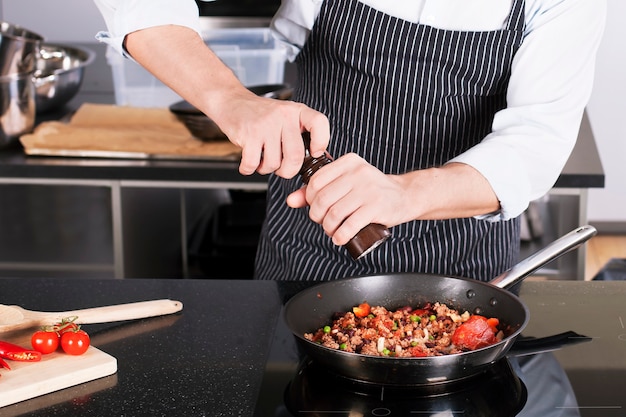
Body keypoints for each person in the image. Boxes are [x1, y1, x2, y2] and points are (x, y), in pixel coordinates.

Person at [93, 0, 606, 281]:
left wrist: (404, 194)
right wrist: (230, 98)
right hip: (304, 252)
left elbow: (537, 140)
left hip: (463, 273)